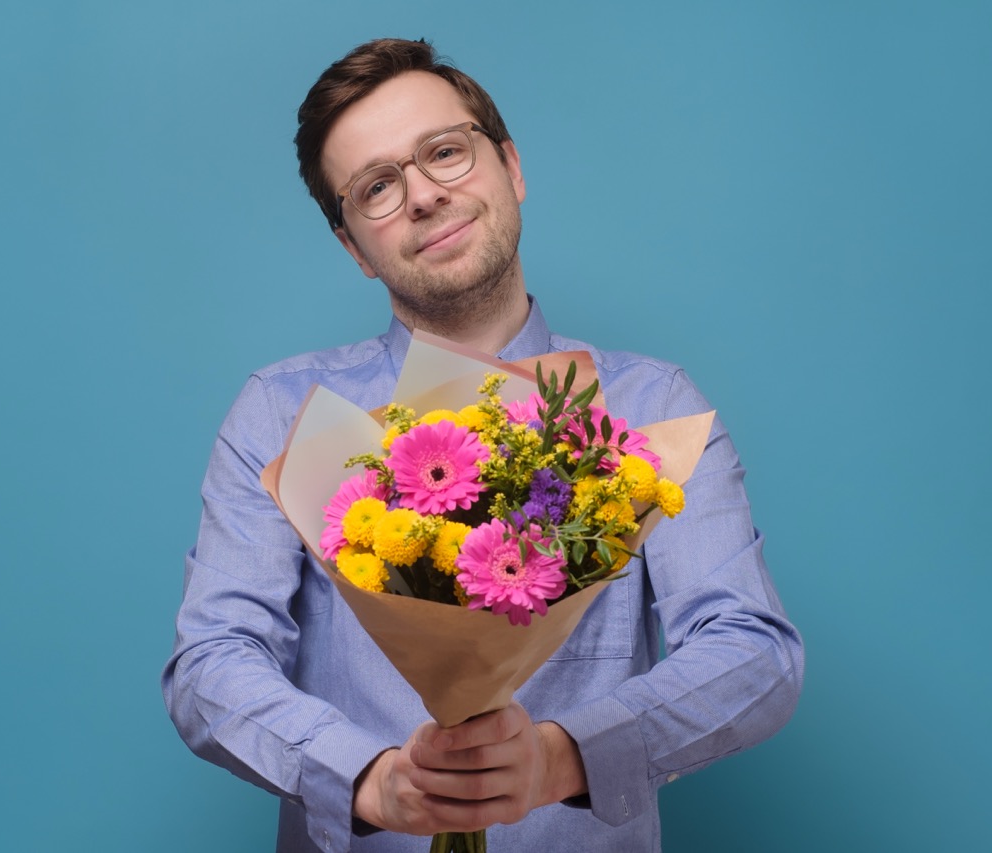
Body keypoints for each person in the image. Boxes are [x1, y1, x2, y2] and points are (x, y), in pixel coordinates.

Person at [163, 38, 804, 853]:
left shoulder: (651, 409)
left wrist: (564, 757)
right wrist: (367, 777)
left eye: (444, 153)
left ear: (510, 167)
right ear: (352, 246)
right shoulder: (280, 414)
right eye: (377, 188)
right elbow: (212, 661)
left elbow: (753, 651)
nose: (423, 195)